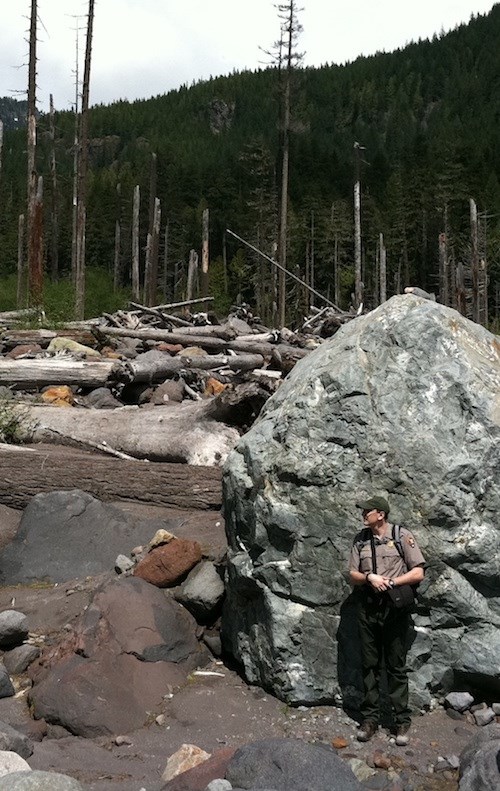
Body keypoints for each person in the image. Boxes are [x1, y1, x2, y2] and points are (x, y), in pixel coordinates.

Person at [348, 495, 425, 745]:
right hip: (368, 607)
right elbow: (352, 574)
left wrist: (392, 582)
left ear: (380, 514)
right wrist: (369, 578)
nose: (363, 515)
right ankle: (370, 719)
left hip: (394, 608)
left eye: (367, 511)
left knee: (395, 665)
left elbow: (418, 572)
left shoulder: (402, 536)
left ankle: (401, 721)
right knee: (369, 664)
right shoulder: (360, 540)